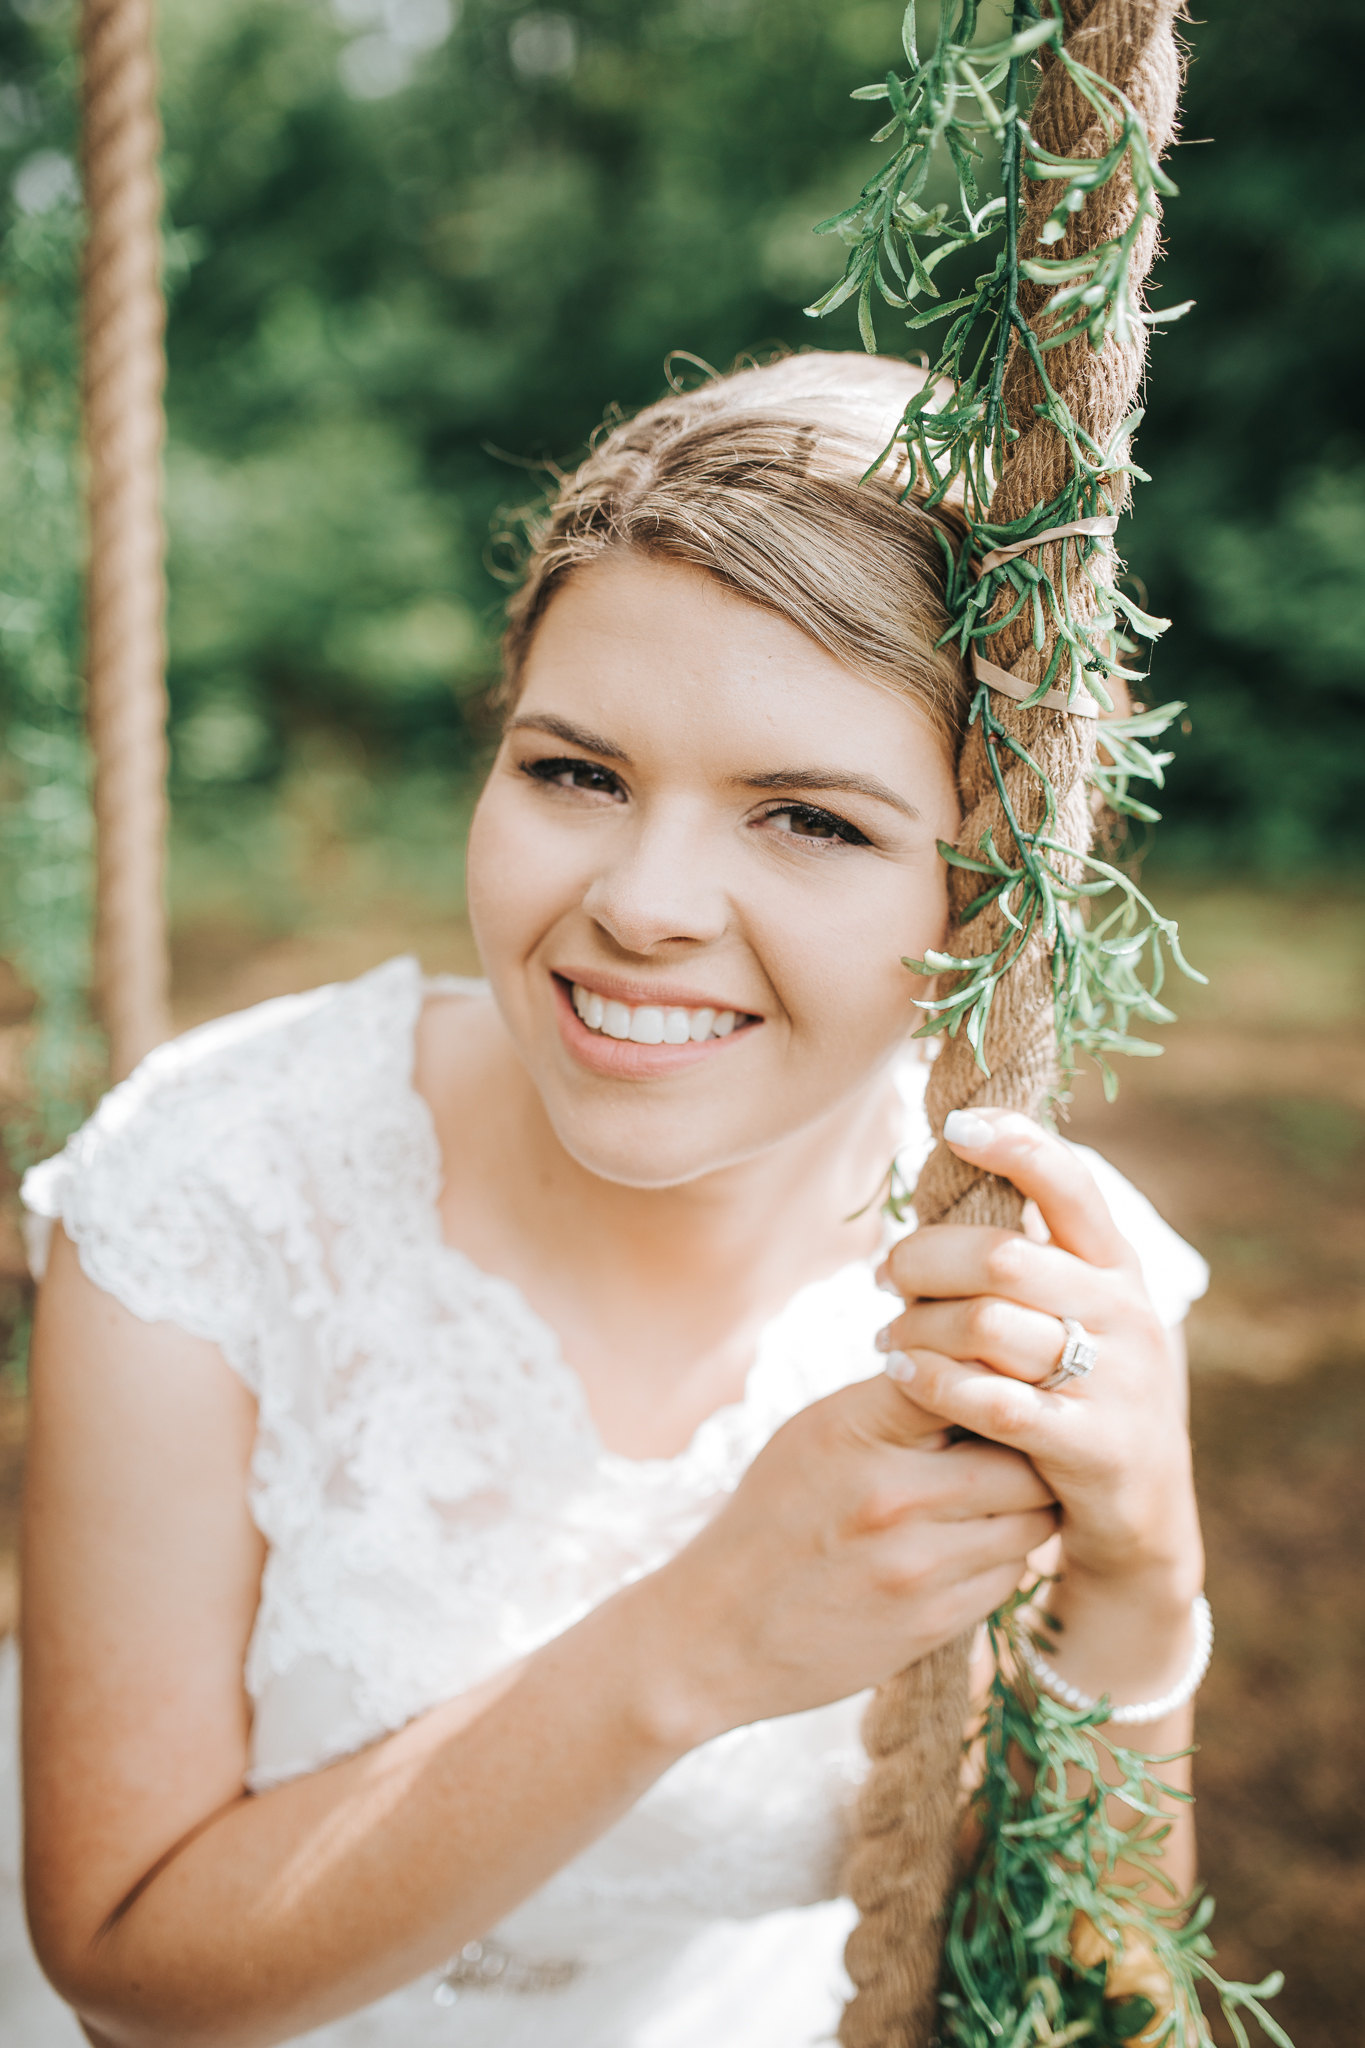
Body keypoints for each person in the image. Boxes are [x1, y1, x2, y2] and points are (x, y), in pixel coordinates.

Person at [8, 351, 1208, 2048]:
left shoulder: (1042, 1303)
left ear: (996, 890)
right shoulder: (216, 1191)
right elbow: (125, 1962)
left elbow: (1091, 1996)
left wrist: (1146, 1588)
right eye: (576, 772)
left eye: (807, 818)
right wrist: (697, 1640)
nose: (643, 904)